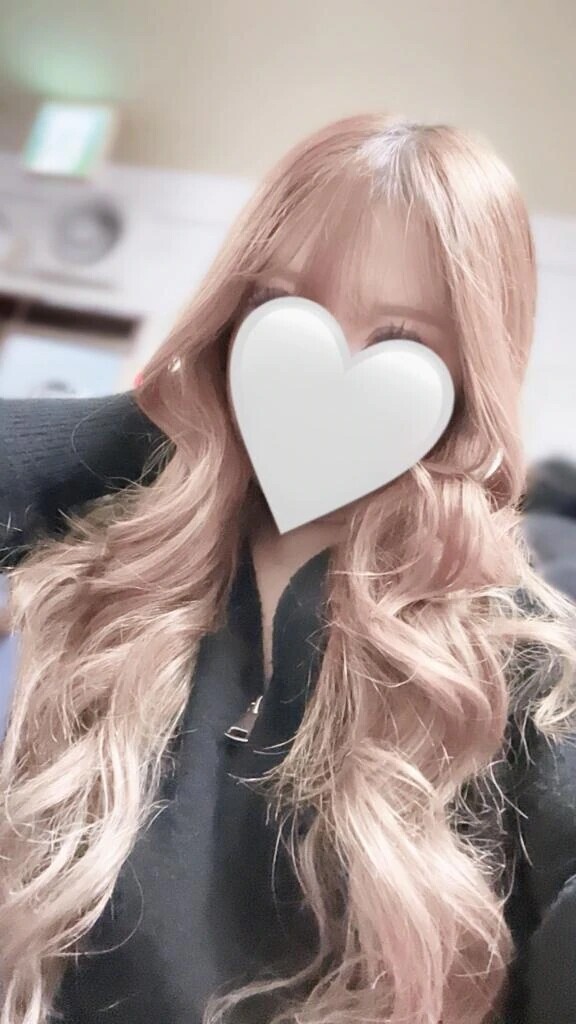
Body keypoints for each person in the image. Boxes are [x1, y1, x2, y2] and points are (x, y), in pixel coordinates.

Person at [1, 113, 576, 1024]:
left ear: (472, 371)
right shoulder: (97, 567)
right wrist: (175, 415)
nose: (332, 362)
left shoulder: (519, 660)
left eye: (404, 336)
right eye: (277, 303)